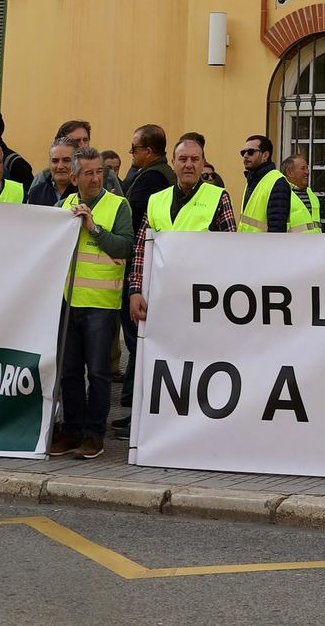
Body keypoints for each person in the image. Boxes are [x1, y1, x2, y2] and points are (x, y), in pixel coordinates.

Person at [54, 147, 134, 461]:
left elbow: (125, 246)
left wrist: (94, 228)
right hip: (68, 300)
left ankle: (93, 434)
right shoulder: (64, 205)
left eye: (98, 171)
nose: (95, 178)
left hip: (102, 303)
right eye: (88, 173)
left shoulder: (118, 205)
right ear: (73, 177)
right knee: (69, 372)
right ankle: (71, 430)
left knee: (99, 374)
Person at [128, 135, 236, 324]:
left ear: (203, 163)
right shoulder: (156, 200)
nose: (189, 164)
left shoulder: (219, 197)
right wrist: (135, 290)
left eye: (195, 159)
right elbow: (141, 250)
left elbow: (231, 251)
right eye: (183, 159)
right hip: (161, 295)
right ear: (173, 163)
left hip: (204, 298)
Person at [114, 125, 174, 430]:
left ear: (148, 151)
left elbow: (131, 214)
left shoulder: (151, 177)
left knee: (138, 339)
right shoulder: (157, 175)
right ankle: (132, 400)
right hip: (155, 268)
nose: (131, 154)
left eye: (134, 149)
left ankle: (137, 404)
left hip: (144, 269)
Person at [264, 150, 324, 232]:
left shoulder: (311, 194)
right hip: (292, 244)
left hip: (315, 243)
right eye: (303, 168)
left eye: (307, 168)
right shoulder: (280, 195)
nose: (307, 172)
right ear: (289, 172)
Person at [29, 138, 79, 208]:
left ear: (77, 163)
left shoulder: (85, 192)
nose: (60, 166)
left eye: (66, 160)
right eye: (55, 161)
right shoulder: (36, 193)